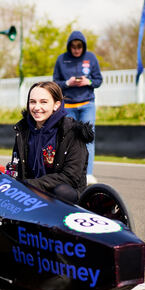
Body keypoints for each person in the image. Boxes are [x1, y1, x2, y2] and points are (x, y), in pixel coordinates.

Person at [11, 81, 94, 203]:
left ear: (56, 105)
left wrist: (29, 184)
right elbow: (16, 169)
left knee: (62, 191)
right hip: (29, 192)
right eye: (32, 102)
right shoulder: (23, 130)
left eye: (43, 102)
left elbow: (70, 177)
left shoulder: (72, 132)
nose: (36, 107)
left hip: (64, 196)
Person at [53, 30, 103, 185]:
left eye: (79, 46)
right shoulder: (61, 60)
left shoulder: (91, 58)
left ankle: (88, 174)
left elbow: (98, 80)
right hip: (68, 105)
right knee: (68, 139)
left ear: (83, 46)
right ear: (69, 46)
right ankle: (68, 173)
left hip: (87, 104)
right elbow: (55, 83)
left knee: (88, 138)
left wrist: (87, 82)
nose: (76, 49)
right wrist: (68, 83)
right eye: (73, 46)